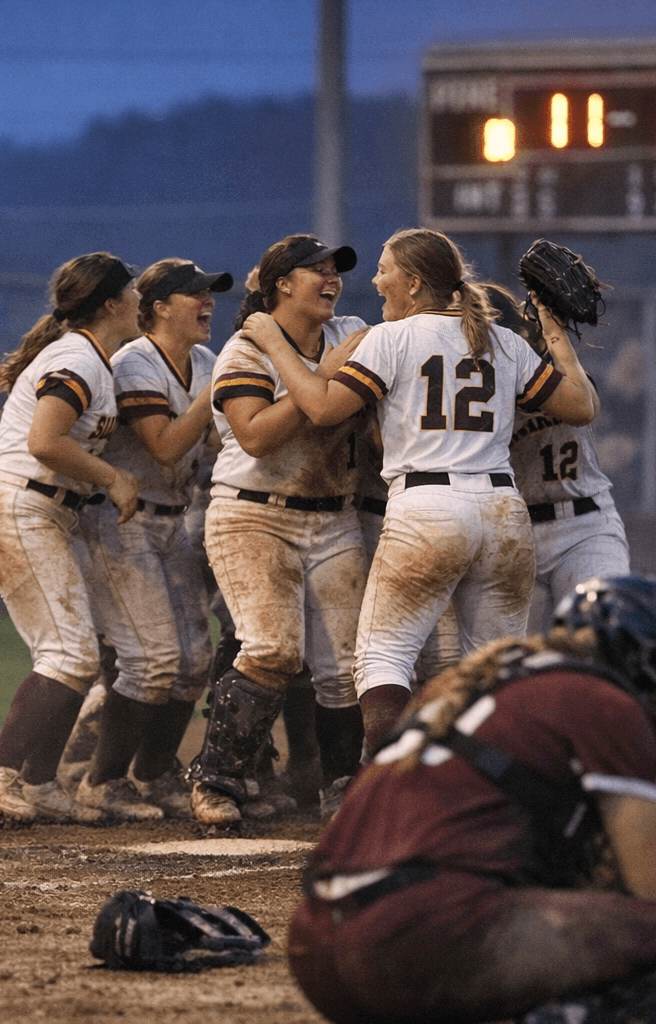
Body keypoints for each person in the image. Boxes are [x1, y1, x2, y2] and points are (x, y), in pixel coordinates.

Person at [287, 574, 656, 1024]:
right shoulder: (606, 702)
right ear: (631, 658)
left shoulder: (467, 686)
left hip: (317, 950)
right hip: (419, 938)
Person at [246, 227, 598, 750]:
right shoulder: (502, 340)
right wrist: (552, 329)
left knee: (383, 656)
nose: (375, 279)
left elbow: (319, 409)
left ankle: (388, 786)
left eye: (385, 269)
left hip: (427, 507)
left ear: (412, 283)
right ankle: (496, 790)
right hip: (503, 508)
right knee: (494, 668)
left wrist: (274, 342)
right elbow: (583, 407)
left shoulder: (393, 338)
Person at [187, 234, 370, 825]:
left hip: (334, 512)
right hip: (253, 514)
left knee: (345, 664)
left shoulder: (352, 332)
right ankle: (216, 779)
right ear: (280, 285)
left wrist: (324, 373)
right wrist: (320, 380)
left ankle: (341, 785)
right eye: (314, 269)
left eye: (334, 269)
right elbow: (259, 436)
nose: (331, 278)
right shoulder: (245, 351)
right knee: (270, 649)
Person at [0, 251, 142, 823]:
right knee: (68, 653)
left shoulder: (90, 357)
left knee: (72, 654)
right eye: (132, 292)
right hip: (21, 506)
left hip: (37, 510)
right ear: (112, 303)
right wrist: (113, 476)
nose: (138, 300)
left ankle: (38, 784)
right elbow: (45, 440)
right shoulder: (78, 356)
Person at [73, 259, 231, 820]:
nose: (207, 301)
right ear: (159, 306)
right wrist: (214, 395)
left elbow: (214, 442)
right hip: (122, 521)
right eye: (194, 293)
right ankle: (101, 780)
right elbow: (163, 446)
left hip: (174, 519)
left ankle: (153, 770)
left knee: (193, 662)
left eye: (209, 293)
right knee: (153, 659)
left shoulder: (207, 361)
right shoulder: (136, 359)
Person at [486, 283, 631, 636]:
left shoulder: (557, 369)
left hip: (585, 525)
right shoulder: (475, 385)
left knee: (600, 633)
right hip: (513, 532)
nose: (527, 330)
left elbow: (587, 405)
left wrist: (554, 332)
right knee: (521, 659)